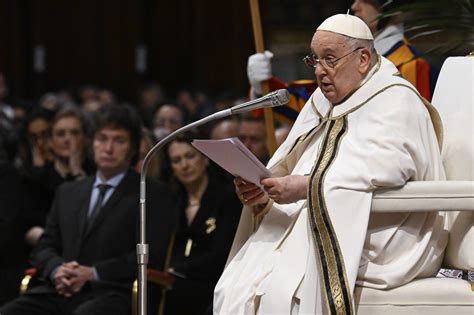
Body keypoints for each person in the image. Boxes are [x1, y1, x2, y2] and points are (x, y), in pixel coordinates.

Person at [214, 14, 447, 314]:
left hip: (381, 230)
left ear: (363, 59)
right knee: (236, 286)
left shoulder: (396, 100)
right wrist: (264, 194)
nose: (320, 71)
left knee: (285, 290)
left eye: (330, 59)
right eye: (315, 60)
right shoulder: (322, 100)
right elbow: (294, 161)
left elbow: (390, 167)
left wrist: (305, 187)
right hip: (313, 214)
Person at [0, 104, 175, 315]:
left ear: (132, 147)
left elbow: (151, 256)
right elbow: (44, 247)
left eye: (119, 140)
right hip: (61, 289)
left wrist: (93, 273)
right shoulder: (68, 191)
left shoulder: (152, 193)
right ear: (91, 144)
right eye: (102, 139)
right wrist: (57, 269)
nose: (108, 148)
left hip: (114, 291)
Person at [248, 0, 436, 116]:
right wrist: (264, 86)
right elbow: (316, 111)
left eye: (365, 0)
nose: (354, 6)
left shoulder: (411, 66)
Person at [157, 132, 242, 315]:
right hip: (172, 286)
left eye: (190, 156)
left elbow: (221, 255)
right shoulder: (171, 202)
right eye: (176, 160)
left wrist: (176, 270)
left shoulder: (226, 198)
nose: (185, 165)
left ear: (205, 158)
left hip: (214, 286)